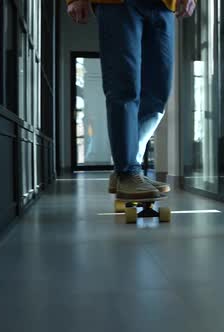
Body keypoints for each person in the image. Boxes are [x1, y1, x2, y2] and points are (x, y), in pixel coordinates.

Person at [67, 0, 196, 199]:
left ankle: (125, 170)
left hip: (163, 4)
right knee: (123, 86)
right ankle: (127, 172)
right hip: (117, 4)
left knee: (158, 91)